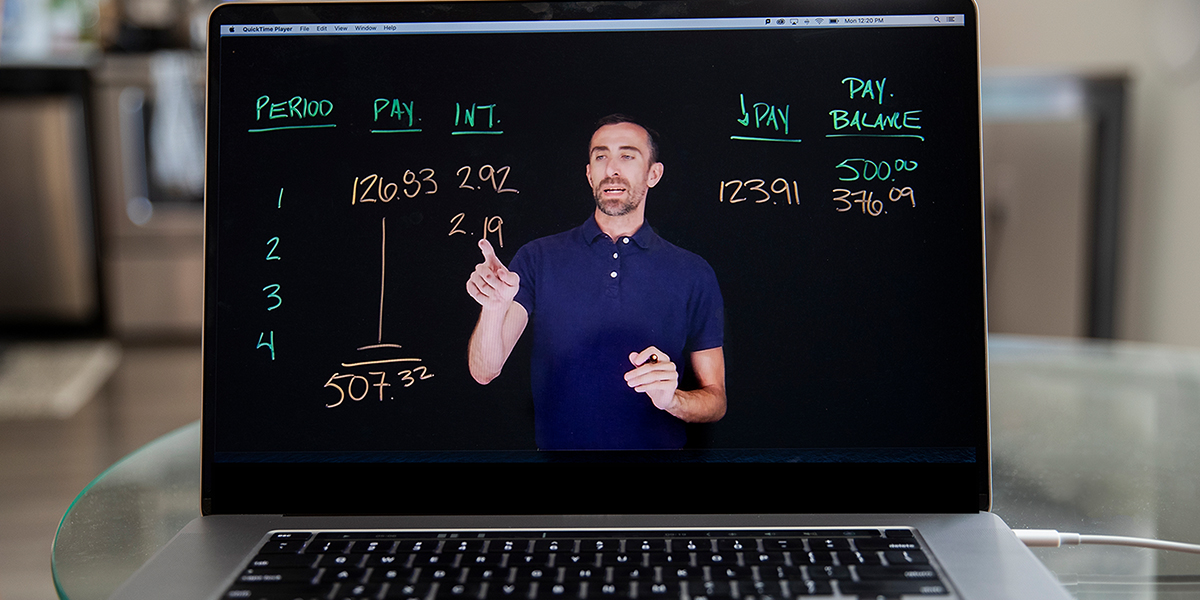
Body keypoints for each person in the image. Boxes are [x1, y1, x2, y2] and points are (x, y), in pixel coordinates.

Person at [466, 114, 725, 450]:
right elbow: (485, 371)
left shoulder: (693, 272)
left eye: (627, 156)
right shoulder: (537, 258)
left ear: (653, 174)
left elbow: (716, 400)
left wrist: (671, 399)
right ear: (589, 173)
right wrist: (494, 307)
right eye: (600, 156)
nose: (611, 169)